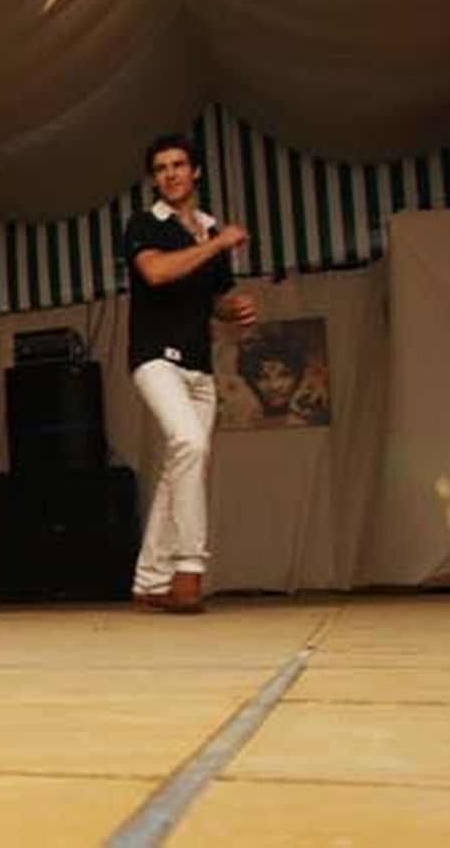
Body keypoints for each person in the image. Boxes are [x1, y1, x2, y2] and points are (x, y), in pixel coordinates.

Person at [125, 132, 258, 614]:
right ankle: (188, 569)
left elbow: (214, 299)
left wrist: (232, 308)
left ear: (195, 171)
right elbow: (157, 273)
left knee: (180, 466)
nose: (170, 174)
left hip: (200, 367)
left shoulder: (208, 227)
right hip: (154, 358)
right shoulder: (145, 223)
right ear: (154, 179)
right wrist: (218, 242)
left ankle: (149, 580)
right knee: (189, 444)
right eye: (161, 168)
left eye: (178, 165)